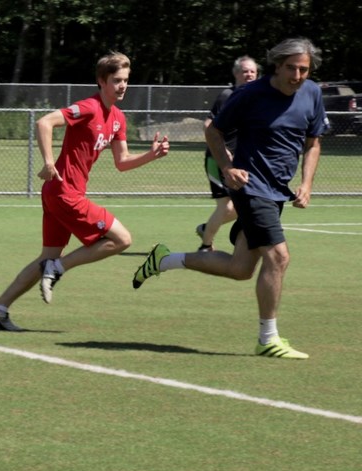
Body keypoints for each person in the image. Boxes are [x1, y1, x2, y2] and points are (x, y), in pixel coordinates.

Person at [132, 38, 325, 359]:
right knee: (278, 257)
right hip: (250, 187)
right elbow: (213, 131)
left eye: (304, 69)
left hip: (277, 191)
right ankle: (268, 338)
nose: (297, 74)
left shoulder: (312, 93)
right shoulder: (250, 94)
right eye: (291, 67)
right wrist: (227, 167)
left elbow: (313, 142)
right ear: (277, 65)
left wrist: (306, 184)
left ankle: (164, 259)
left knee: (240, 268)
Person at [0, 52, 169, 331]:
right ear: (101, 81)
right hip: (63, 192)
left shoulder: (117, 117)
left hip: (62, 193)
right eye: (116, 80)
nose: (122, 86)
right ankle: (57, 269)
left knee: (46, 257)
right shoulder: (90, 107)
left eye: (126, 81)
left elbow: (122, 162)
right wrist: (48, 161)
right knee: (122, 239)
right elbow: (44, 122)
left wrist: (151, 156)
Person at [195, 56, 259, 251]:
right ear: (236, 73)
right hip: (218, 159)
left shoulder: (257, 98)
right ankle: (205, 246)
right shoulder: (227, 95)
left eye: (252, 71)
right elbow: (209, 125)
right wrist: (223, 152)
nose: (249, 74)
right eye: (245, 71)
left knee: (239, 207)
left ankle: (207, 229)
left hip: (241, 161)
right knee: (226, 206)